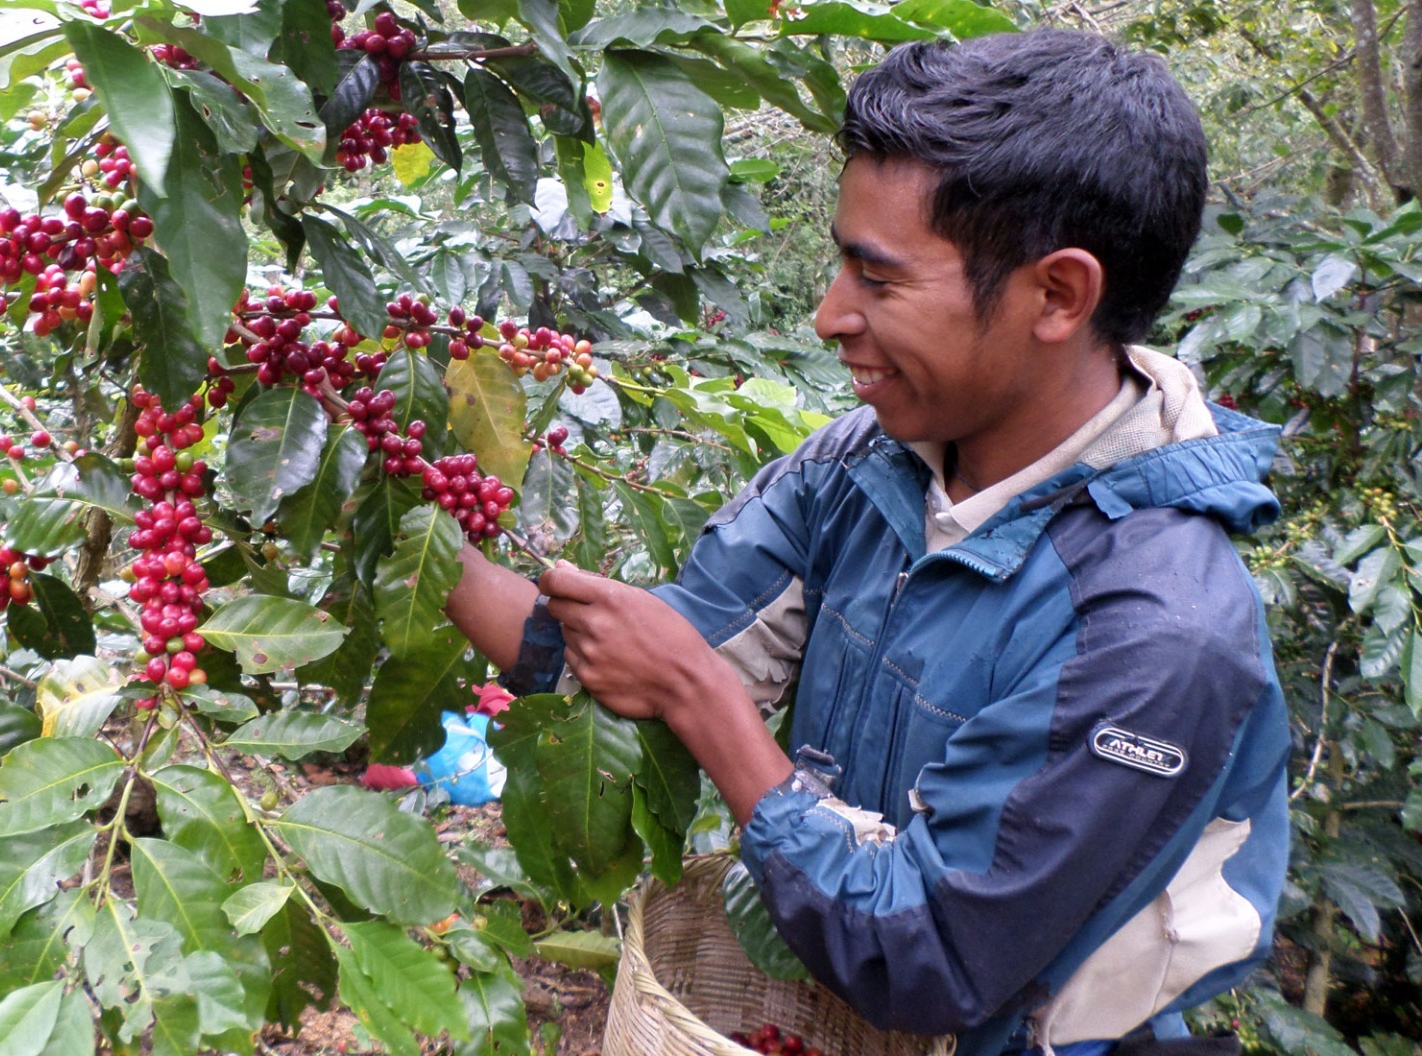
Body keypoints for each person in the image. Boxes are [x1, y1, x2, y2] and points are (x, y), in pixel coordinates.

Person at [444, 28, 1289, 1056]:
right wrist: (406, 537)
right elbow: (644, 655)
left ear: (1058, 295)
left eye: (877, 280)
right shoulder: (862, 463)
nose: (826, 315)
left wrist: (701, 699)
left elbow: (930, 952)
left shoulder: (1158, 631)